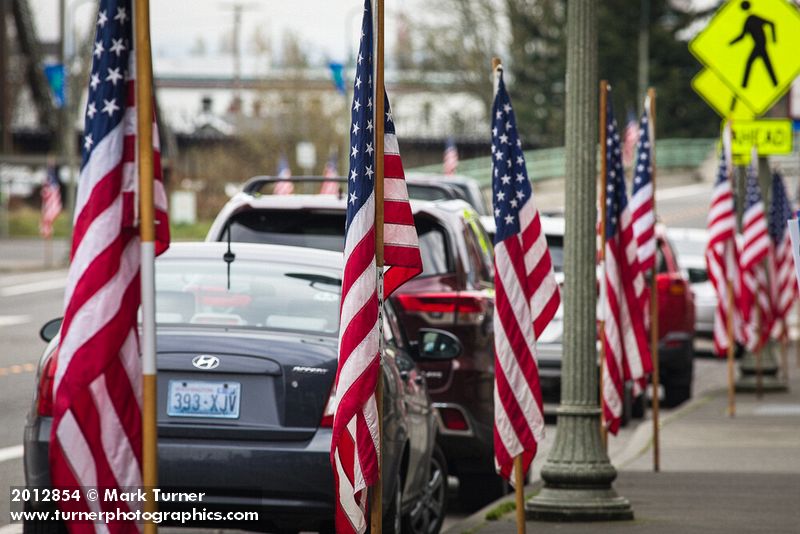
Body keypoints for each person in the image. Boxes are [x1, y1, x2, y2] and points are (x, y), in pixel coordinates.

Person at [729, 0, 778, 88]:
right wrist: (731, 43)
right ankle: (775, 83)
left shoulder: (753, 18)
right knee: (766, 64)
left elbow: (772, 23)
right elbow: (742, 36)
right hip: (759, 45)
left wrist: (774, 38)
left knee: (751, 63)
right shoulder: (748, 21)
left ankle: (744, 85)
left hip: (760, 45)